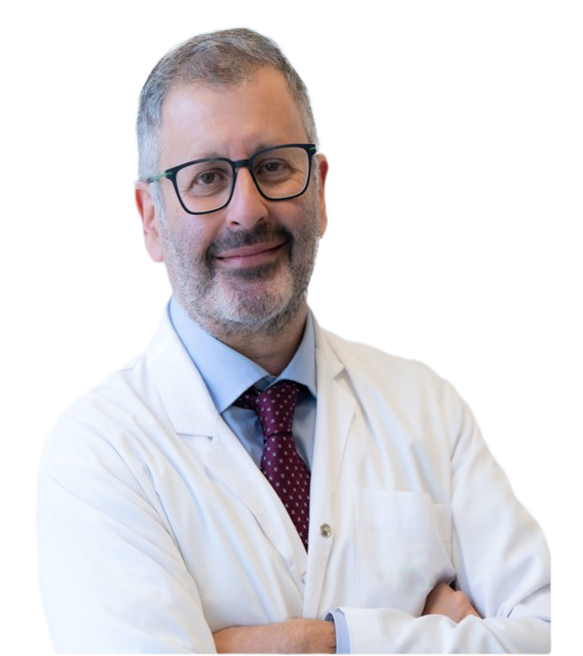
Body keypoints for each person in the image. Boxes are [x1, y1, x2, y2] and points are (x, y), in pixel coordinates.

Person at [35, 28, 551, 655]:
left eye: (273, 166)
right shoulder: (96, 455)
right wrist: (425, 635)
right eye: (206, 178)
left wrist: (313, 643)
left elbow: (553, 635)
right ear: (150, 218)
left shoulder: (429, 410)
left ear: (321, 191)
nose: (247, 210)